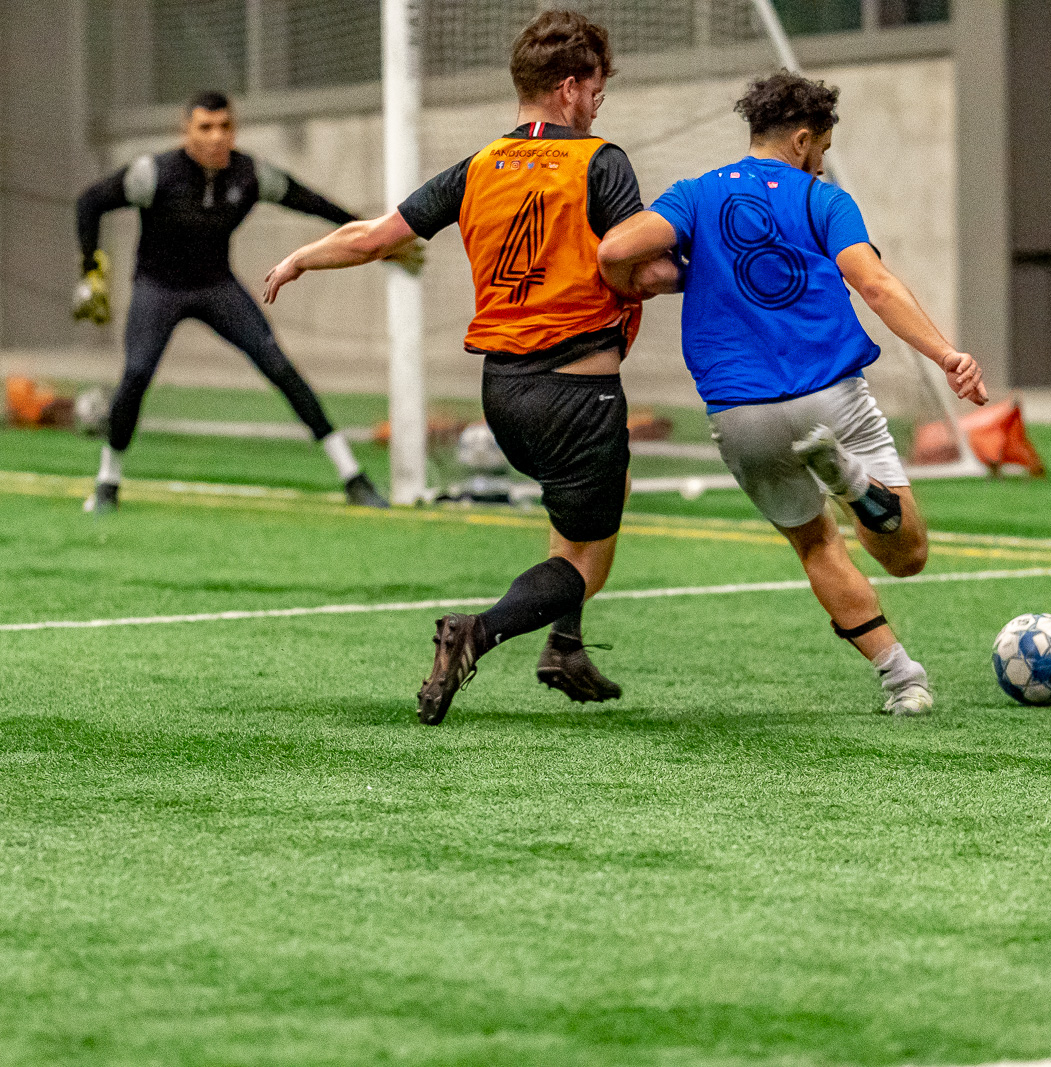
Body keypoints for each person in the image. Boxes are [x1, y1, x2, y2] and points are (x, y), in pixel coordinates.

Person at [263, 11, 676, 725]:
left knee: (587, 507)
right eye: (596, 90)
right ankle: (476, 633)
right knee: (583, 559)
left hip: (504, 396)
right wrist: (711, 261)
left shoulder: (479, 166)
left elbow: (376, 237)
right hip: (577, 394)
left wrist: (302, 257)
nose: (598, 104)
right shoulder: (600, 162)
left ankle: (566, 645)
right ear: (570, 88)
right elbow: (637, 265)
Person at [597, 71, 988, 716]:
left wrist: (668, 281)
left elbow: (616, 250)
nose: (822, 162)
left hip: (739, 413)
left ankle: (902, 678)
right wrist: (947, 355)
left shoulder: (694, 195)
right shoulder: (823, 200)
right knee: (908, 554)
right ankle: (854, 483)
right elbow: (876, 286)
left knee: (815, 544)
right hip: (830, 398)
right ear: (803, 140)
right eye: (822, 148)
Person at [74, 89, 396, 512]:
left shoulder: (250, 175)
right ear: (185, 131)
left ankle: (353, 478)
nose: (216, 136)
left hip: (216, 286)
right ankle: (107, 483)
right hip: (158, 288)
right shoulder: (154, 173)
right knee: (135, 375)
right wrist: (91, 269)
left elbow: (310, 202)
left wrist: (377, 235)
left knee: (279, 366)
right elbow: (90, 202)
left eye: (225, 126)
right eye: (205, 127)